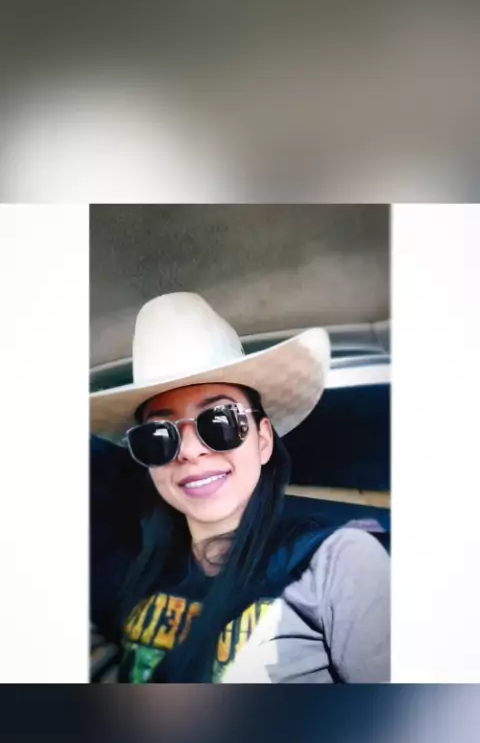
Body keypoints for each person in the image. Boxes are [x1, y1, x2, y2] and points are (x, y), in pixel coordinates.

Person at [90, 292, 390, 684]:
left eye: (219, 422)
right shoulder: (136, 565)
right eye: (159, 436)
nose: (190, 451)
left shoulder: (340, 561)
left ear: (263, 441)